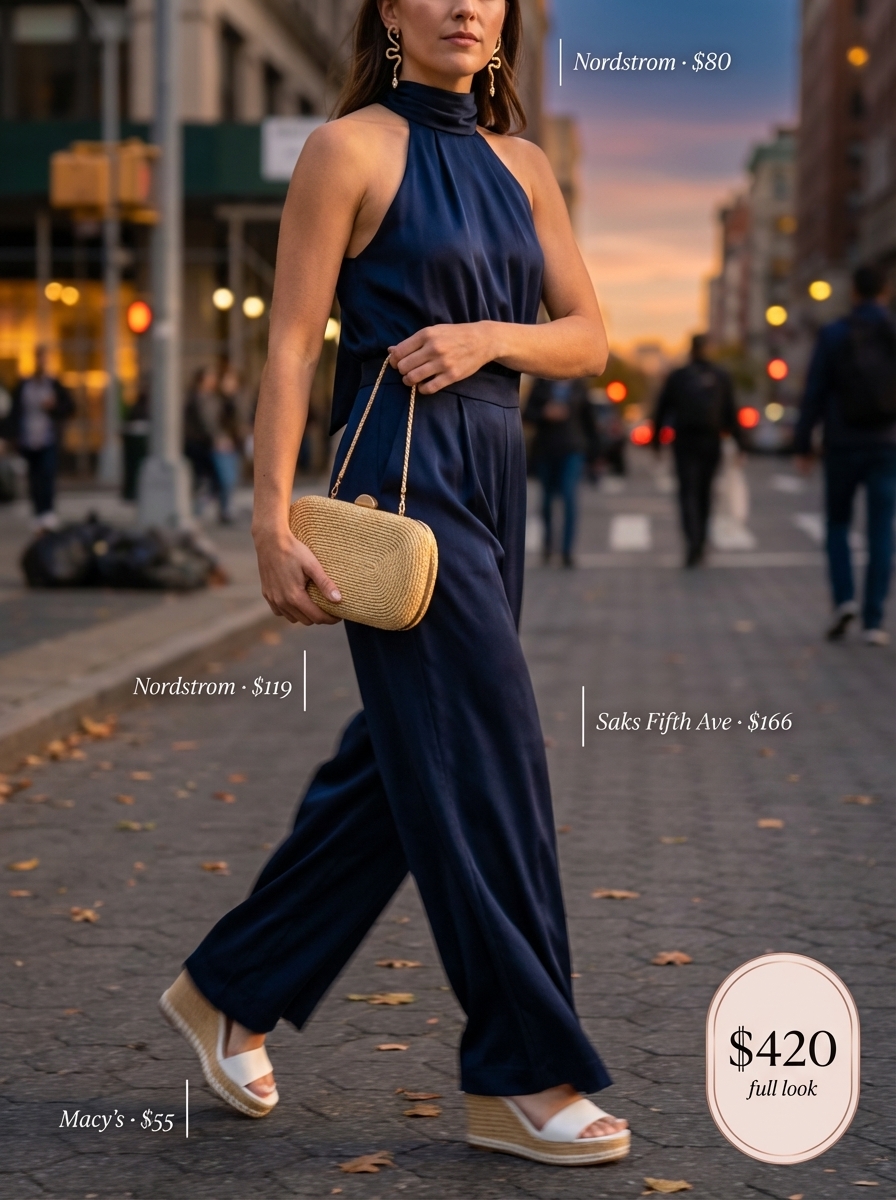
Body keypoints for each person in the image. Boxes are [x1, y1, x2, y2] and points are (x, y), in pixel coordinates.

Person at [158, 0, 630, 1168]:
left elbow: (587, 335)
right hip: (400, 476)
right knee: (492, 756)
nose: (464, 4)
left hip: (492, 463)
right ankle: (522, 1067)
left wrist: (486, 339)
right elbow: (288, 343)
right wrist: (268, 524)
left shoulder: (521, 166)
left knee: (408, 757)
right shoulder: (349, 148)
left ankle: (230, 989)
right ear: (387, 12)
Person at [794, 264, 896, 645]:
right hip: (887, 444)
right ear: (885, 291)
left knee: (837, 524)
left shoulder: (835, 333)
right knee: (881, 530)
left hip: (843, 443)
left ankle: (844, 601)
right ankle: (874, 620)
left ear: (853, 291)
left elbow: (815, 391)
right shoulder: (891, 330)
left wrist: (804, 444)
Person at [652, 334, 742, 566]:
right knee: (705, 492)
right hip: (711, 441)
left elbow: (662, 410)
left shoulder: (679, 376)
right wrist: (741, 444)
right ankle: (701, 542)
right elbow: (731, 411)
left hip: (685, 441)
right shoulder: (721, 376)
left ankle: (692, 541)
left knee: (687, 492)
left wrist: (657, 443)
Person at [526, 376, 596, 566]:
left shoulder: (579, 384)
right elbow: (527, 413)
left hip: (573, 448)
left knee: (568, 495)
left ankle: (567, 551)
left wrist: (596, 453)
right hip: (546, 448)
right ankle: (548, 545)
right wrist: (544, 413)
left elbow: (588, 418)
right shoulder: (541, 383)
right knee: (547, 500)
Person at [8, 346, 74, 528]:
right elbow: (14, 413)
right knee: (34, 478)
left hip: (47, 438)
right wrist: (11, 437)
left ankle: (48, 512)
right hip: (28, 439)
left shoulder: (54, 384)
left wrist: (54, 407)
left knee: (47, 475)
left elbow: (69, 407)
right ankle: (38, 514)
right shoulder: (24, 386)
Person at [183, 366, 222, 515]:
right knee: (205, 477)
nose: (213, 381)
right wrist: (216, 437)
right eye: (210, 378)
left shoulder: (213, 397)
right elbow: (205, 422)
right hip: (197, 443)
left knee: (209, 478)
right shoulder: (196, 398)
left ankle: (202, 506)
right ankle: (198, 508)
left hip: (206, 442)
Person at [213, 367, 246, 524]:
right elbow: (212, 422)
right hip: (223, 444)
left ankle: (227, 509)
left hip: (236, 443)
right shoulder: (217, 400)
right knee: (226, 479)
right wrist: (219, 437)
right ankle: (224, 510)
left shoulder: (238, 399)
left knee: (232, 478)